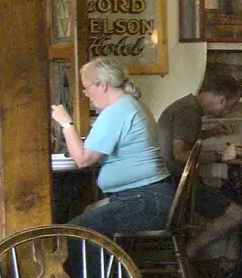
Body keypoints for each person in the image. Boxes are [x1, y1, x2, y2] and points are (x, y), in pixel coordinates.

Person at [53, 58, 172, 235]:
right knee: (85, 215)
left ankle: (103, 263)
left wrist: (66, 123)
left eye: (87, 88)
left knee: (75, 232)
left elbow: (83, 159)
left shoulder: (118, 111)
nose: (86, 93)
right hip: (151, 196)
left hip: (143, 199)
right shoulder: (130, 105)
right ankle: (111, 263)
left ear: (102, 85)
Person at [156, 70, 242, 259]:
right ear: (221, 100)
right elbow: (180, 155)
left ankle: (187, 255)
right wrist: (222, 155)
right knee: (236, 213)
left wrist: (210, 132)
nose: (230, 111)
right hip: (176, 186)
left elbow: (182, 138)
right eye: (232, 105)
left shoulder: (186, 107)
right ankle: (185, 254)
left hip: (168, 183)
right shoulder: (188, 112)